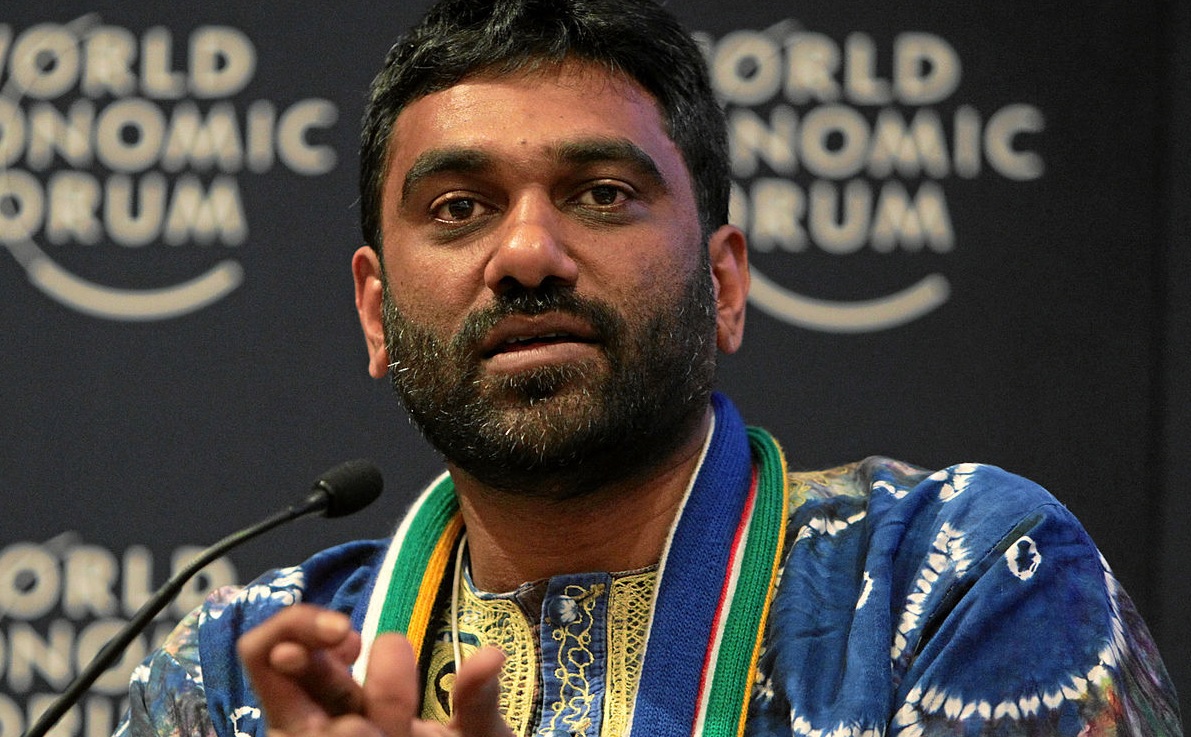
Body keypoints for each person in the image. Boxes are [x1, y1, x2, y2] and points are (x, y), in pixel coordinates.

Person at [115, 0, 1182, 735]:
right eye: (459, 207)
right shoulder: (236, 680)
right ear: (375, 310)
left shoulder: (955, 581)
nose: (526, 252)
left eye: (602, 194)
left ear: (724, 283)